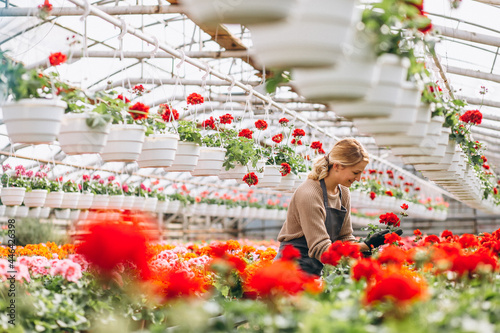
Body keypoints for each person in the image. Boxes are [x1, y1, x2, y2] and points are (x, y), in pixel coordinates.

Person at [276, 138, 401, 276]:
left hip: (315, 267)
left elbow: (345, 237)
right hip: (290, 268)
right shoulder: (309, 193)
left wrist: (368, 250)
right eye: (355, 172)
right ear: (337, 166)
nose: (359, 178)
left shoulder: (343, 192)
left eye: (360, 173)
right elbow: (321, 248)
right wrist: (365, 245)